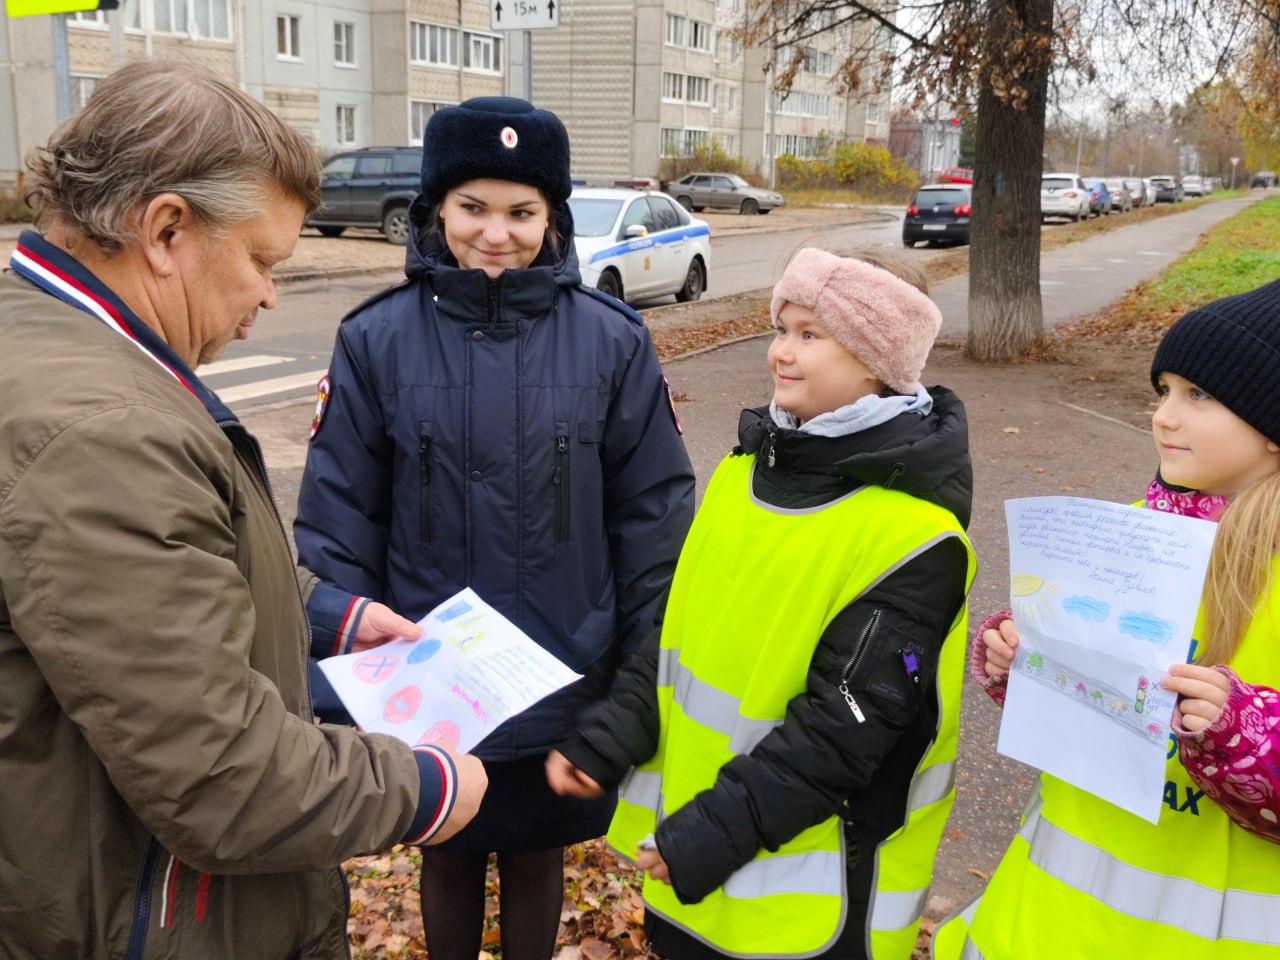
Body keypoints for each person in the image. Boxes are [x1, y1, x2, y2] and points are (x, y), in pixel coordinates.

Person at [0, 61, 487, 960]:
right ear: (167, 229)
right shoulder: (105, 432)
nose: (269, 294)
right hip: (150, 922)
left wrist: (325, 614)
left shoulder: (49, 341)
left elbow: (151, 574)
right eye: (262, 260)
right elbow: (222, 777)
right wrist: (426, 789)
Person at [293, 97, 695, 960]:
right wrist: (343, 687)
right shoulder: (376, 340)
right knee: (446, 851)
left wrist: (628, 692)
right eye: (474, 207)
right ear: (438, 207)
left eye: (522, 212)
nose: (496, 233)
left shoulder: (612, 342)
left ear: (552, 219)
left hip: (562, 673)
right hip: (430, 681)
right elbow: (338, 523)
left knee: (536, 853)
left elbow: (654, 524)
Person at [548, 247, 976, 959]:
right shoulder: (739, 476)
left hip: (813, 908)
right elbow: (675, 632)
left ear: (880, 359)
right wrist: (609, 737)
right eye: (782, 328)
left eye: (811, 334)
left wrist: (706, 836)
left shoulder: (915, 537)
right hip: (697, 876)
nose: (780, 351)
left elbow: (845, 730)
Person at [932, 281, 1280, 960]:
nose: (1162, 418)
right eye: (1165, 391)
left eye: (1198, 395)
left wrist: (1240, 731)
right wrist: (1025, 656)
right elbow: (1094, 698)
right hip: (1038, 924)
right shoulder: (1139, 530)